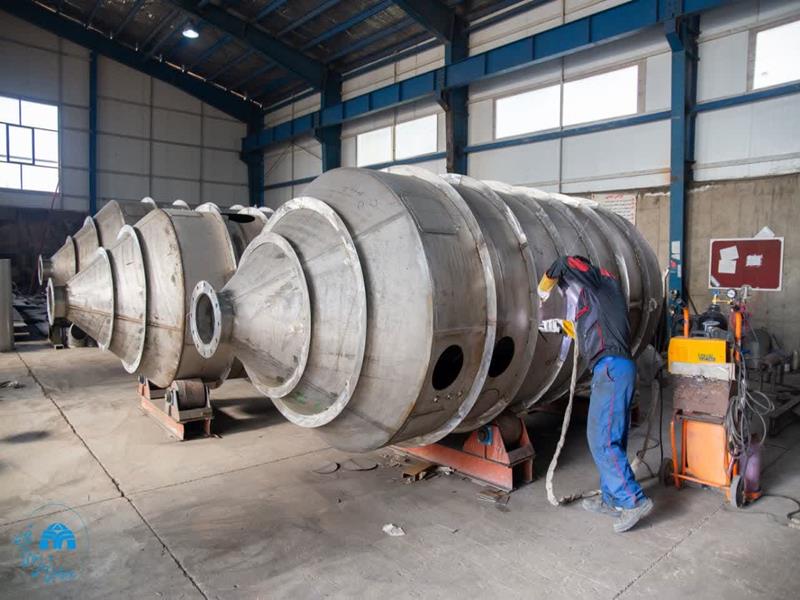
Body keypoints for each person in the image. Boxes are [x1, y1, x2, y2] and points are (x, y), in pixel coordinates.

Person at [538, 255, 653, 533]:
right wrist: (551, 325)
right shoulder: (593, 304)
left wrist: (543, 288)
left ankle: (633, 501)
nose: (567, 290)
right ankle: (613, 499)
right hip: (613, 370)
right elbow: (579, 329)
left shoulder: (600, 282)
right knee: (611, 438)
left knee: (601, 439)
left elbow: (564, 262)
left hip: (612, 369)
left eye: (567, 285)